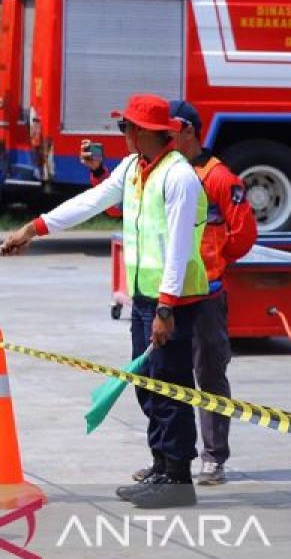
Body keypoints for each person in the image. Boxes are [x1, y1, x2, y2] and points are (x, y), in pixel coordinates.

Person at [2, 94, 215, 509]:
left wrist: (166, 308)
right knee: (147, 383)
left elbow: (176, 246)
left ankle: (177, 478)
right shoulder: (135, 169)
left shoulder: (179, 177)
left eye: (126, 128)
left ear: (143, 132)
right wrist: (34, 228)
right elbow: (90, 204)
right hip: (144, 296)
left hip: (172, 299)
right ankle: (160, 465)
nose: (122, 135)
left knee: (169, 386)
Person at [80, 102, 258, 487]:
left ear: (186, 131)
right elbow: (119, 208)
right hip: (164, 295)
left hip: (202, 293)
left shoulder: (215, 177)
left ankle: (212, 459)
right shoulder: (154, 169)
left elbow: (242, 234)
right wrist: (98, 172)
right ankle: (164, 461)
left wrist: (211, 262)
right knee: (157, 379)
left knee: (207, 373)